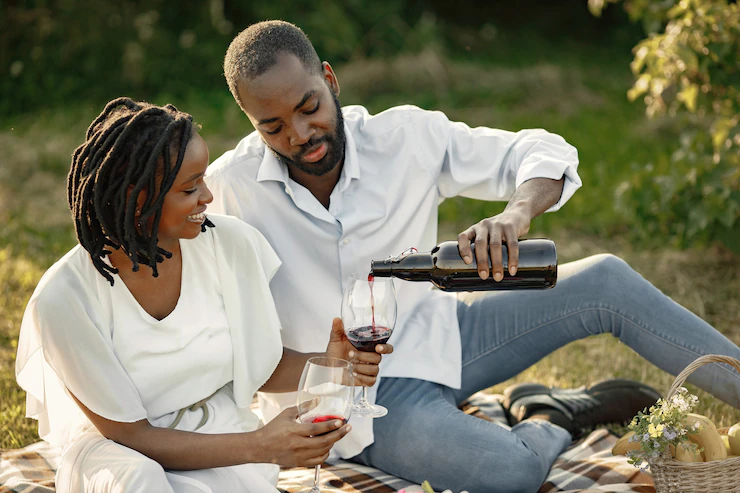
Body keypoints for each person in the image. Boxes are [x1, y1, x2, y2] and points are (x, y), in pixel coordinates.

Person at [205, 20, 740, 493]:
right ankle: (549, 414)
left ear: (330, 79)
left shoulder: (405, 137)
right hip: (359, 400)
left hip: (445, 338)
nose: (300, 135)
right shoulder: (229, 187)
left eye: (309, 107)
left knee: (606, 279)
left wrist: (515, 214)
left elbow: (542, 151)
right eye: (272, 127)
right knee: (511, 472)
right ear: (251, 122)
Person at [14, 97, 392, 493]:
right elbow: (131, 436)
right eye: (190, 188)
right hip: (120, 457)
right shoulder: (65, 298)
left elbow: (259, 365)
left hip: (218, 436)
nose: (208, 197)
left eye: (204, 180)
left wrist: (331, 362)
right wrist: (259, 445)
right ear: (137, 198)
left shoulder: (230, 245)